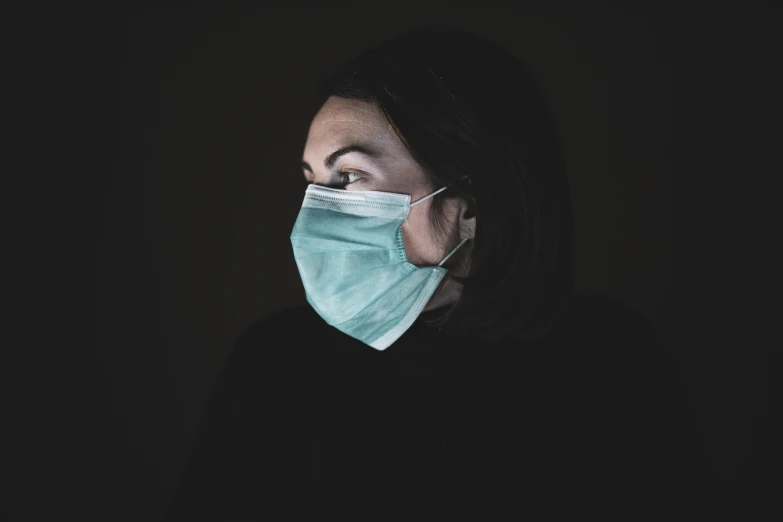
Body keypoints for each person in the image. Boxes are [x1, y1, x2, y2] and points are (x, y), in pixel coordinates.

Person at [162, 24, 717, 520]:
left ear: (470, 203)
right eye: (312, 181)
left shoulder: (609, 360)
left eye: (349, 177)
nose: (315, 213)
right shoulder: (273, 364)